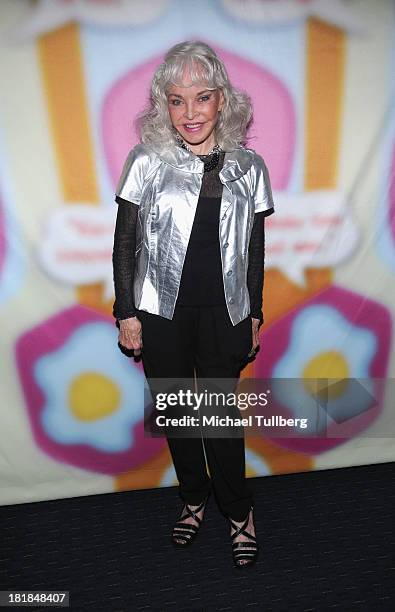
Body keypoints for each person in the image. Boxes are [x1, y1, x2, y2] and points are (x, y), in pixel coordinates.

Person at [112, 41, 275, 568]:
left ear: (222, 101)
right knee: (180, 416)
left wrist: (254, 313)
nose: (189, 113)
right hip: (161, 313)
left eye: (201, 98)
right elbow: (125, 242)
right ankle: (192, 497)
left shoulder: (250, 166)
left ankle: (238, 510)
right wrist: (126, 312)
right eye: (177, 101)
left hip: (225, 312)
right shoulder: (146, 161)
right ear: (164, 104)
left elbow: (254, 247)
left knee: (222, 419)